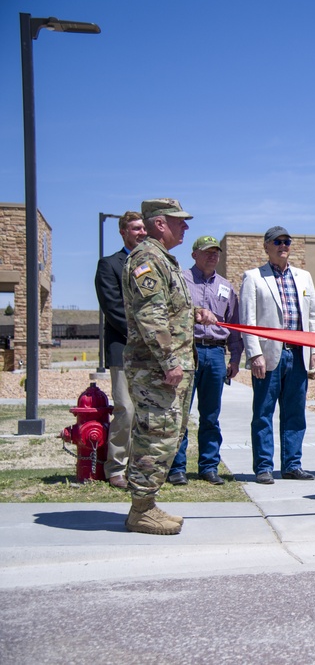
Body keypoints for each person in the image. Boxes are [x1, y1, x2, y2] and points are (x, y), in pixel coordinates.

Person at [122, 198, 217, 535]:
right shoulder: (146, 259)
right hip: (156, 368)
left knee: (167, 435)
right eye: (180, 222)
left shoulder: (163, 259)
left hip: (167, 367)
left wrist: (195, 313)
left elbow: (168, 309)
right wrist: (169, 361)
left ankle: (147, 503)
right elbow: (150, 316)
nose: (185, 227)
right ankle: (141, 510)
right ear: (160, 223)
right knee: (155, 436)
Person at [239, 226, 315, 484]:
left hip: (298, 355)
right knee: (263, 412)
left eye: (287, 241)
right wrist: (255, 354)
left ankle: (292, 464)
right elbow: (248, 320)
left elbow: (313, 316)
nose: (283, 245)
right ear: (266, 246)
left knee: (295, 413)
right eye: (277, 241)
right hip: (269, 357)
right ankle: (264, 466)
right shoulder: (254, 277)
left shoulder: (303, 277)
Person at [166, 235, 244, 487]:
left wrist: (235, 357)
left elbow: (234, 325)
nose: (213, 256)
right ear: (194, 255)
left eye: (216, 252)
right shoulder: (181, 281)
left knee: (211, 415)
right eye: (207, 251)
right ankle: (176, 468)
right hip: (188, 351)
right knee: (181, 414)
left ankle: (209, 466)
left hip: (216, 354)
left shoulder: (225, 286)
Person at [94, 211, 146, 489]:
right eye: (136, 228)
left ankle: (141, 467)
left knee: (146, 412)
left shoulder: (152, 262)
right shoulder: (109, 265)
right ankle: (115, 467)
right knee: (125, 408)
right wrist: (144, 334)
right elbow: (113, 307)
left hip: (152, 351)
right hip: (124, 347)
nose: (142, 233)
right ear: (123, 232)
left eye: (143, 228)